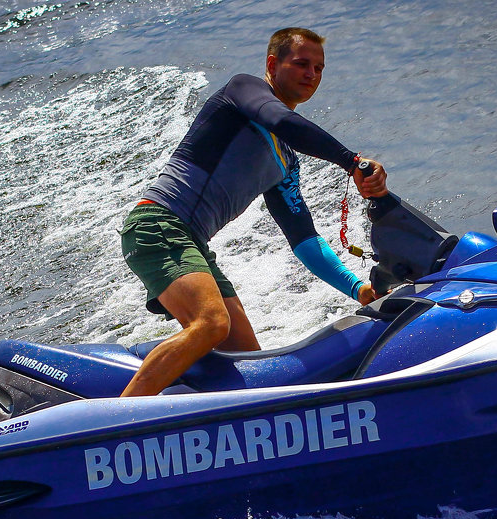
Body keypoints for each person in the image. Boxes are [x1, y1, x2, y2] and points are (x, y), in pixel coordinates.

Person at [119, 27, 388, 397]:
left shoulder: (284, 162)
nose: (312, 74)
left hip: (190, 242)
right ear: (273, 64)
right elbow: (280, 121)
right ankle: (118, 420)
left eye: (319, 68)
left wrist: (358, 289)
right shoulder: (243, 90)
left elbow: (305, 240)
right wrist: (351, 161)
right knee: (211, 323)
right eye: (302, 64)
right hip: (158, 225)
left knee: (248, 365)